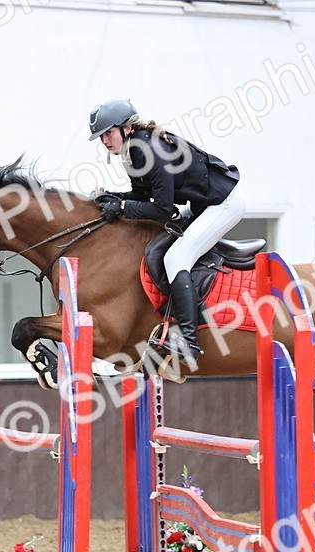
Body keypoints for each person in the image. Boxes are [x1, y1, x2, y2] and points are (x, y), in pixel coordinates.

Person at [87, 98, 245, 368]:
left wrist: (123, 206)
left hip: (224, 204)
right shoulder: (132, 150)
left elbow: (162, 209)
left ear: (126, 128)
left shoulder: (150, 150)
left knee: (176, 258)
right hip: (202, 204)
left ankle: (189, 340)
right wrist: (114, 198)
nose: (104, 141)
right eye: (100, 137)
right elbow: (142, 196)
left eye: (108, 133)